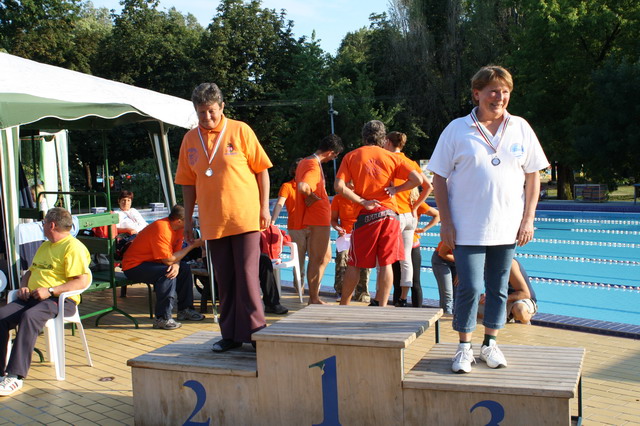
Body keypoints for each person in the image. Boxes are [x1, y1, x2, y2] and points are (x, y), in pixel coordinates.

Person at [427, 65, 549, 373]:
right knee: (469, 287)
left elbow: (533, 175)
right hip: (467, 227)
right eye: (493, 91)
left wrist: (528, 219)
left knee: (498, 288)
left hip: (507, 226)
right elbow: (438, 176)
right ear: (477, 93)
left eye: (505, 91)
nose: (500, 97)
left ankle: (490, 344)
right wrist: (446, 222)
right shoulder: (457, 129)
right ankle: (464, 348)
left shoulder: (520, 127)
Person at [175, 82, 272, 353]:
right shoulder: (190, 139)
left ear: (222, 107)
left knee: (247, 277)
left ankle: (256, 332)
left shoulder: (240, 130)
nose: (207, 117)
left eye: (212, 111)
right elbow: (187, 183)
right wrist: (188, 220)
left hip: (244, 218)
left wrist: (264, 208)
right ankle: (230, 334)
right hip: (212, 221)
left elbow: (262, 170)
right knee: (224, 279)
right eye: (201, 112)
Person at [0, 207, 91, 396]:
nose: (42, 226)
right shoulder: (45, 246)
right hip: (33, 297)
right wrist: (23, 286)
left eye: (44, 223)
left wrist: (50, 291)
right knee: (1, 317)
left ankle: (15, 376)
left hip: (60, 300)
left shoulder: (73, 247)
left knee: (30, 316)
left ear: (51, 225)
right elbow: (31, 272)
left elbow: (81, 281)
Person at [335, 120, 423, 307]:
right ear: (383, 138)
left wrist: (362, 201)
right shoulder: (392, 157)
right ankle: (382, 306)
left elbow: (339, 186)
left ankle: (344, 305)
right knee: (386, 263)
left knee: (355, 263)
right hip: (390, 214)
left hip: (367, 215)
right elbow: (417, 179)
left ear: (363, 136)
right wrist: (396, 190)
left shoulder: (352, 156)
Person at [122, 205, 205, 330]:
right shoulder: (161, 228)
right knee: (167, 273)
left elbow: (176, 255)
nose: (192, 221)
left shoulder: (178, 229)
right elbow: (167, 260)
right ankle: (162, 318)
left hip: (154, 263)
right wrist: (192, 246)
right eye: (189, 219)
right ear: (179, 221)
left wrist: (176, 265)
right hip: (134, 266)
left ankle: (185, 310)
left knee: (184, 269)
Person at [384, 132, 432, 307]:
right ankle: (403, 298)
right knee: (406, 260)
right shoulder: (410, 162)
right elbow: (428, 187)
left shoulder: (388, 160)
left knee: (386, 259)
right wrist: (416, 206)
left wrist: (396, 190)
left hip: (395, 215)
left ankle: (382, 298)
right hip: (409, 217)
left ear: (387, 142)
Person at [295, 135, 344, 304]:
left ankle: (314, 295)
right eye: (335, 156)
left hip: (317, 217)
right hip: (317, 217)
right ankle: (314, 298)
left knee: (325, 257)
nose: (333, 159)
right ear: (330, 152)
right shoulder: (313, 165)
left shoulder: (304, 161)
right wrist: (313, 197)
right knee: (317, 258)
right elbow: (303, 186)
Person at [392, 198, 440, 307]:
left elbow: (437, 215)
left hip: (412, 245)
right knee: (397, 282)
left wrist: (424, 229)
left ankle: (417, 310)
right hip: (396, 245)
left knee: (415, 282)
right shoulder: (393, 200)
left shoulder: (415, 203)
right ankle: (396, 310)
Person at [271, 158, 307, 292]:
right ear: (295, 171)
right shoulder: (287, 186)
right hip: (296, 227)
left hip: (313, 226)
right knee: (300, 260)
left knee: (319, 259)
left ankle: (313, 290)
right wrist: (273, 221)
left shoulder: (311, 185)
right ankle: (299, 288)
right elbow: (280, 203)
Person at [331, 192, 371, 303]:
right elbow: (333, 220)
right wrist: (339, 228)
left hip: (362, 234)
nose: (351, 185)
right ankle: (341, 292)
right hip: (346, 236)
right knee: (342, 260)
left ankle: (362, 293)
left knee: (364, 264)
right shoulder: (338, 198)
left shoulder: (365, 197)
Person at [479, 259, 538, 324]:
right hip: (497, 300)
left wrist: (496, 298)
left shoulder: (509, 263)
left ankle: (525, 325)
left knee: (520, 310)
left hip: (519, 300)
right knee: (471, 306)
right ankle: (507, 318)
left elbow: (525, 294)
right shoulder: (480, 262)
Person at [431, 240, 457, 315]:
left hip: (458, 262)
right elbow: (442, 253)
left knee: (458, 293)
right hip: (441, 260)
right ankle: (446, 317)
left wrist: (462, 269)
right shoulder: (457, 236)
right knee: (447, 294)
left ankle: (456, 318)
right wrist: (462, 265)